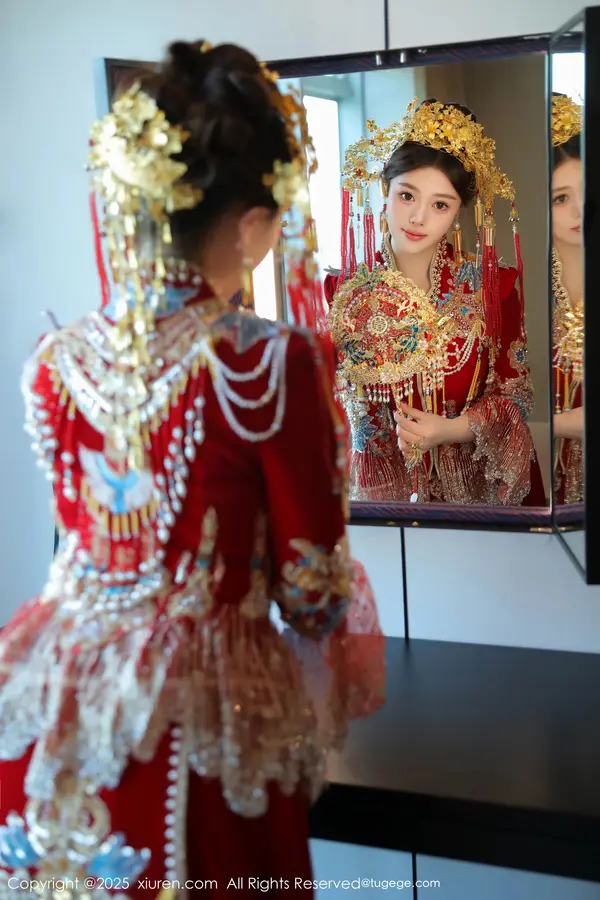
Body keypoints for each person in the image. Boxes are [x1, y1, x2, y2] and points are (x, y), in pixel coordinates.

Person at [0, 40, 385, 899]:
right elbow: (312, 591)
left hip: (55, 710)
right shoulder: (267, 361)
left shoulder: (56, 362)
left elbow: (86, 544)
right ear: (252, 223)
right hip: (196, 722)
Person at [325, 99, 545, 506]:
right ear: (385, 190)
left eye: (440, 204)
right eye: (407, 195)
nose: (418, 217)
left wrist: (452, 429)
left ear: (459, 212)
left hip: (472, 500)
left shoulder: (492, 289)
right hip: (378, 499)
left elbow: (515, 396)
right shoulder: (342, 292)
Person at [551, 93, 584, 505]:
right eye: (561, 198)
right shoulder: (516, 287)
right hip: (552, 483)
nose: (581, 209)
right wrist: (558, 424)